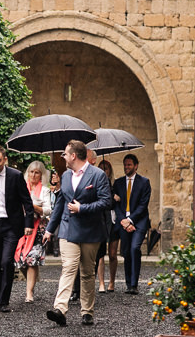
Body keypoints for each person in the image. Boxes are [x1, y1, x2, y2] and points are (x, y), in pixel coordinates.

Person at [43, 140, 112, 327]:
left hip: (91, 231)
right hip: (68, 228)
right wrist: (50, 229)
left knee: (88, 272)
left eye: (65, 154)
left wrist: (83, 208)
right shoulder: (65, 176)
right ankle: (60, 309)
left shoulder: (97, 175)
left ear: (74, 155)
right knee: (68, 267)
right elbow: (60, 204)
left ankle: (87, 311)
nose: (63, 157)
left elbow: (106, 202)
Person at [0, 146, 34, 313]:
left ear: (4, 159)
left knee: (6, 261)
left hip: (11, 224)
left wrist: (28, 224)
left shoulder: (16, 176)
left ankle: (4, 301)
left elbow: (27, 201)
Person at [113, 153, 152, 294]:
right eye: (125, 165)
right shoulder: (118, 183)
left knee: (135, 248)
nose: (126, 167)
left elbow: (143, 205)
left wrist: (130, 220)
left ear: (136, 166)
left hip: (139, 221)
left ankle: (134, 285)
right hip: (123, 221)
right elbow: (116, 205)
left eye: (129, 165)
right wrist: (124, 221)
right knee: (126, 251)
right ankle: (128, 284)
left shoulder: (144, 182)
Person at [14, 161, 52, 303]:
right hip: (21, 227)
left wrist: (33, 206)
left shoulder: (45, 191)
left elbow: (48, 210)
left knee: (32, 260)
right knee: (20, 260)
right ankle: (32, 280)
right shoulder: (21, 188)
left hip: (38, 229)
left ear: (42, 175)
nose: (34, 175)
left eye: (37, 172)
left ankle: (29, 293)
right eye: (31, 172)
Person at [96, 159, 119, 293]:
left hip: (113, 221)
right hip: (101, 220)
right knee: (100, 254)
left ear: (109, 170)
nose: (104, 171)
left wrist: (116, 197)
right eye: (101, 168)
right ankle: (101, 283)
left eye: (106, 169)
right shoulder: (97, 184)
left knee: (112, 254)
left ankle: (112, 281)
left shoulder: (115, 185)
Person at [48, 169, 62, 257]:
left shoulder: (59, 191)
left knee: (56, 234)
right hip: (49, 214)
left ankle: (56, 250)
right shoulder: (47, 192)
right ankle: (52, 249)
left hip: (57, 214)